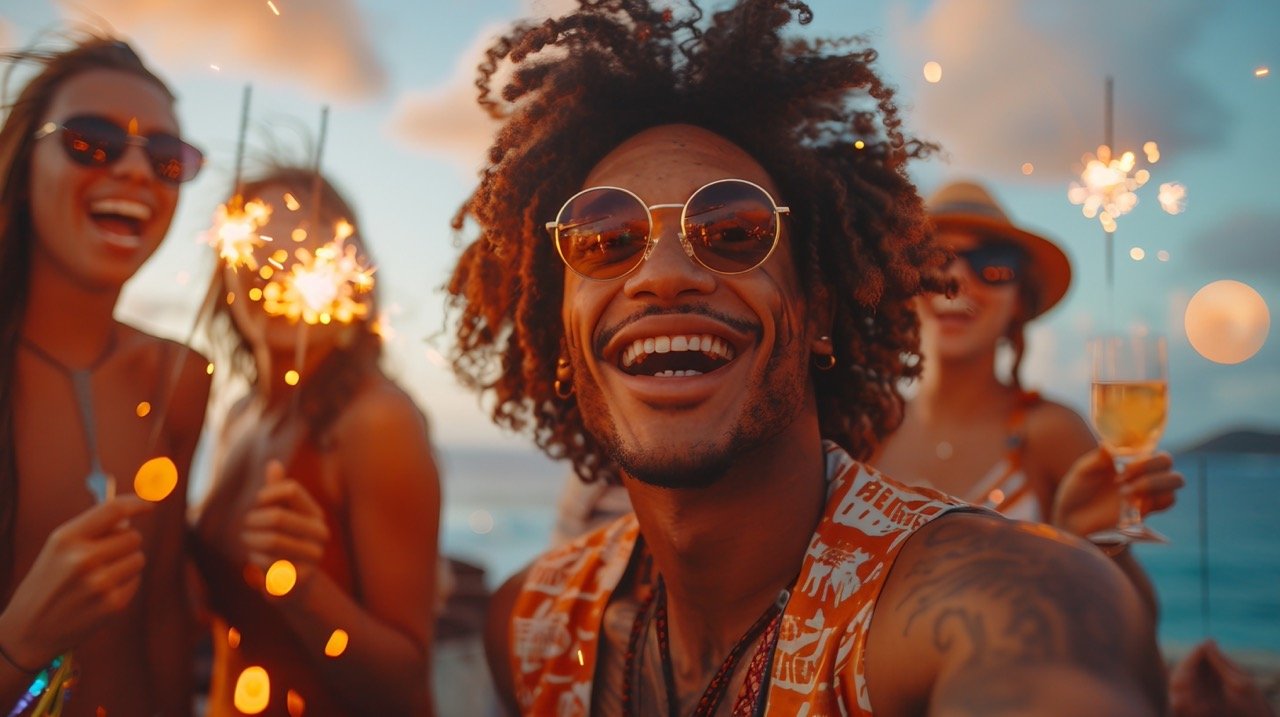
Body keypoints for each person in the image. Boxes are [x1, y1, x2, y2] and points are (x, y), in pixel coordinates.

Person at [446, 1, 1166, 714]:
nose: (662, 273)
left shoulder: (1006, 591)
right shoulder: (531, 632)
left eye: (733, 228)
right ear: (559, 334)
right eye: (604, 238)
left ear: (818, 311)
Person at [0, 38, 210, 714]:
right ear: (24, 159)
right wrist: (19, 641)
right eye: (91, 142)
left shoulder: (182, 375)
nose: (135, 173)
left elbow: (162, 618)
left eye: (166, 158)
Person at [190, 167, 440, 715]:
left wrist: (303, 588)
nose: (277, 270)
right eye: (256, 248)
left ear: (349, 270)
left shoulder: (376, 421)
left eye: (302, 248)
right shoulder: (238, 415)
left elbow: (405, 681)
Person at [872, 179, 1185, 613]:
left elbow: (1136, 622)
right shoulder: (865, 428)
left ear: (1018, 301)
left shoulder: (1050, 432)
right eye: (932, 258)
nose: (957, 276)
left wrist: (1094, 545)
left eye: (993, 265)